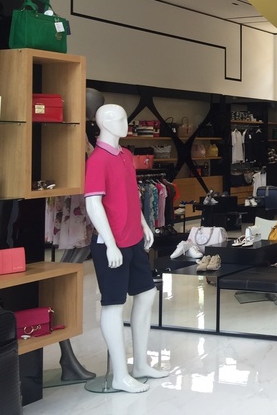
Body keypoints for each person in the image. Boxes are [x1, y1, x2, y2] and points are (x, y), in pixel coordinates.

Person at [84, 104, 168, 393]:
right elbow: (93, 203)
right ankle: (120, 375)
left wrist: (144, 224)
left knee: (146, 294)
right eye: (120, 119)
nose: (126, 124)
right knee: (113, 305)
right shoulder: (97, 160)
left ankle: (140, 364)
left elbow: (131, 195)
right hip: (113, 244)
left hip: (133, 239)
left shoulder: (125, 155)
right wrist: (109, 243)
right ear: (106, 123)